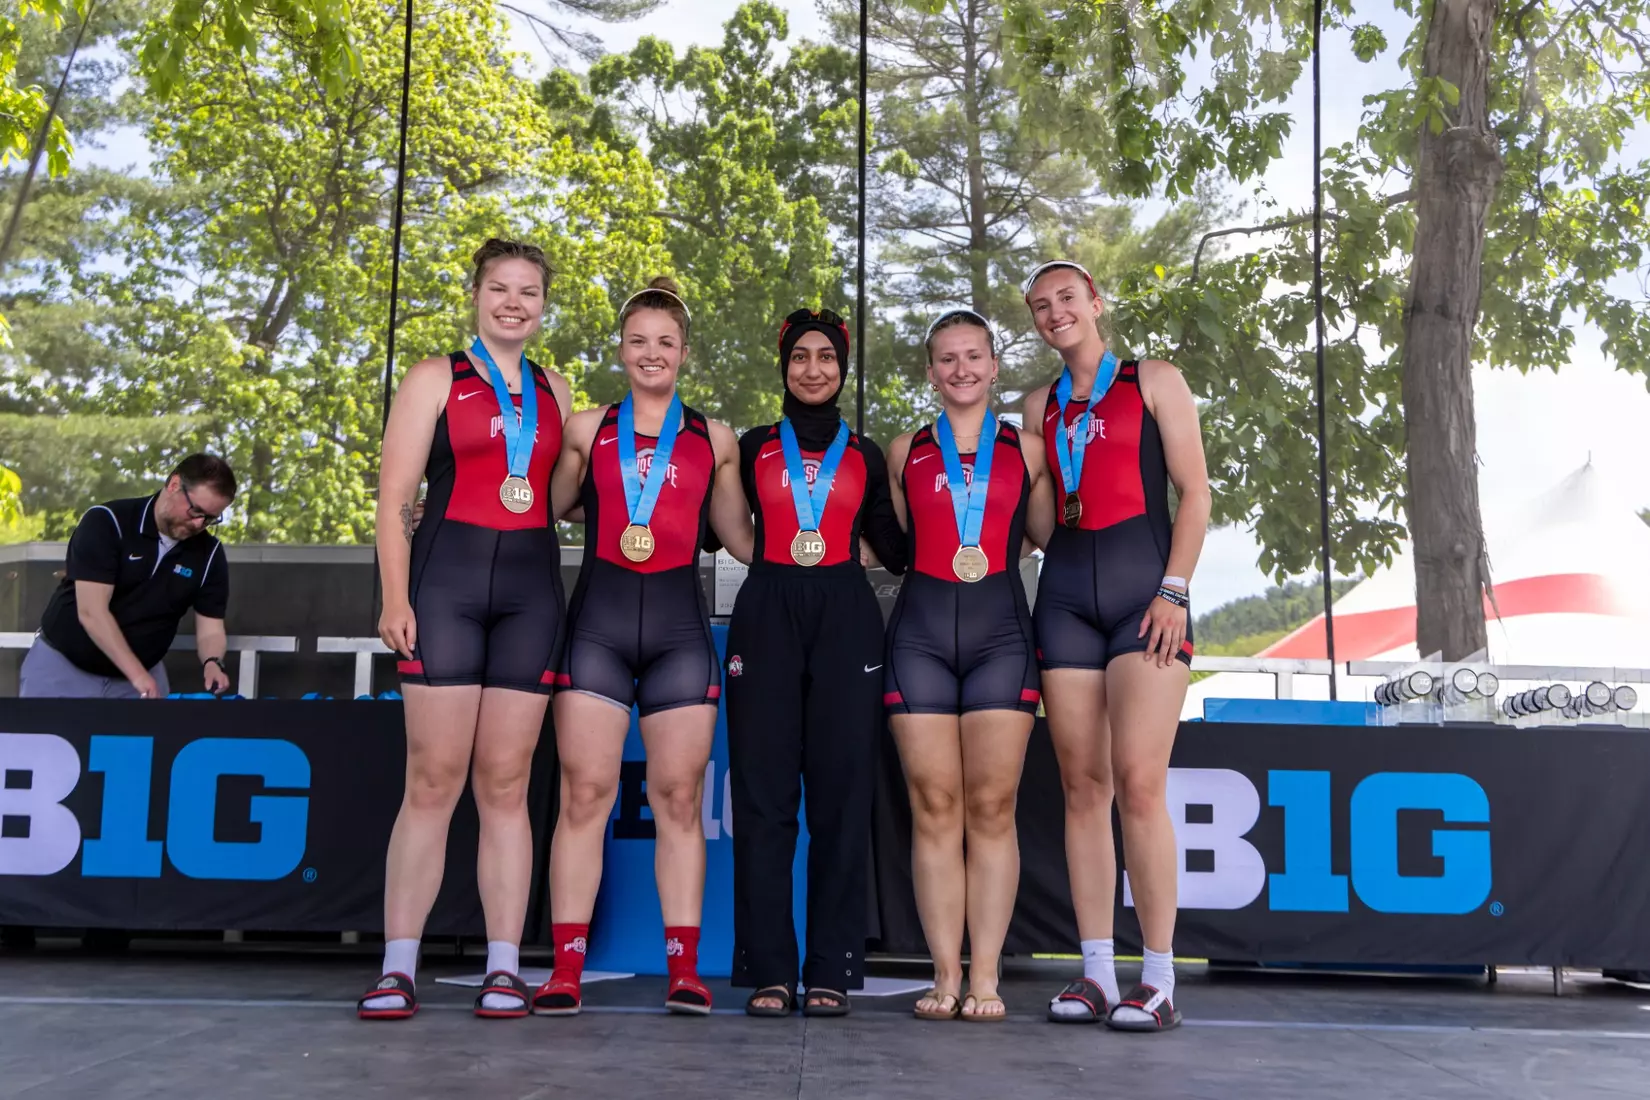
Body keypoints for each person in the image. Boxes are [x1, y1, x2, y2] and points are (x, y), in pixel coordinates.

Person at [359, 238, 573, 1022]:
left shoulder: (555, 388)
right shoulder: (434, 378)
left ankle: (505, 968)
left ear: (543, 306)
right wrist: (395, 597)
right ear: (476, 295)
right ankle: (397, 968)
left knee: (507, 785)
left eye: (528, 292)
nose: (514, 303)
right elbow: (394, 500)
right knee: (433, 780)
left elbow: (560, 494)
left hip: (531, 597)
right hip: (444, 590)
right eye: (500, 289)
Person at [533, 276, 753, 1018]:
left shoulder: (714, 439)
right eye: (638, 341)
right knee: (584, 796)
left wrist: (834, 545)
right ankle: (565, 970)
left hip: (678, 636)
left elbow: (743, 540)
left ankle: (683, 971)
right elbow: (542, 508)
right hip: (596, 630)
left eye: (665, 342)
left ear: (684, 352)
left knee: (679, 801)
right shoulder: (586, 428)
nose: (651, 352)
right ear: (621, 350)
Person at [1018, 259, 1210, 1032]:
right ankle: (1096, 971)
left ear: (1095, 302)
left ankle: (1158, 977)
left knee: (1137, 781)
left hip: (1146, 599)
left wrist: (1175, 590)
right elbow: (1043, 523)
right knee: (1082, 787)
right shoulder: (1037, 407)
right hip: (1064, 600)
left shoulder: (1153, 379)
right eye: (1041, 306)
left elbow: (1195, 491)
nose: (1055, 312)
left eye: (1067, 298)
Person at [725, 308, 908, 1019]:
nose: (812, 369)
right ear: (783, 365)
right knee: (764, 801)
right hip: (767, 607)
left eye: (826, 357)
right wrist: (780, 562)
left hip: (845, 616)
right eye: (800, 356)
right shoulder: (751, 445)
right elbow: (719, 529)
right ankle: (769, 969)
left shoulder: (866, 453)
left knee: (841, 799)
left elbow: (894, 548)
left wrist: (837, 561)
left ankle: (831, 966)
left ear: (842, 367)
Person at [883, 309, 1054, 1022]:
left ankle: (986, 974)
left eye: (974, 357)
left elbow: (1045, 538)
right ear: (931, 372)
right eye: (947, 359)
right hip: (919, 638)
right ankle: (945, 974)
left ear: (994, 366)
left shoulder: (1029, 450)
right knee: (934, 808)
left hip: (1000, 638)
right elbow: (896, 545)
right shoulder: (904, 450)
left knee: (991, 808)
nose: (961, 369)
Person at [23, 454, 237, 700]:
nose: (199, 523)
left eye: (210, 518)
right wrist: (137, 675)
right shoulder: (108, 521)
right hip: (64, 667)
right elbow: (92, 612)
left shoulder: (209, 553)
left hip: (142, 676)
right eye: (196, 510)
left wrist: (213, 662)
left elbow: (211, 627)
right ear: (174, 484)